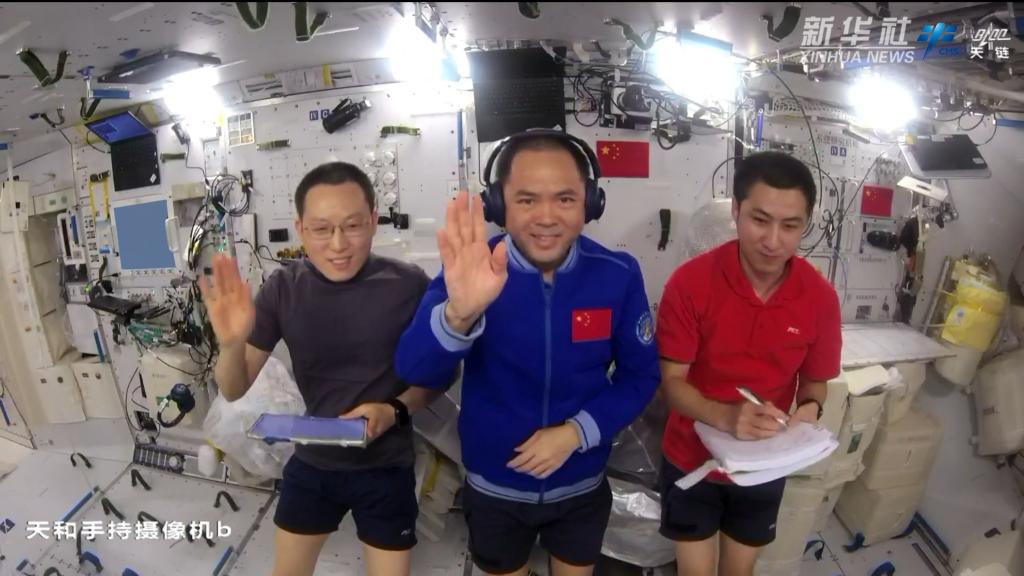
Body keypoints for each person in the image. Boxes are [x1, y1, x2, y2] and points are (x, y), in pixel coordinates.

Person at [394, 130, 661, 576]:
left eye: (565, 198)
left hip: (581, 486)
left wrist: (576, 433)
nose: (547, 217)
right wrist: (459, 314)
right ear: (499, 205)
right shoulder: (472, 270)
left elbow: (640, 376)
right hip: (494, 490)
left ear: (590, 202)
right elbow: (413, 367)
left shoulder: (618, 275)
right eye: (526, 200)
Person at [200, 162, 444, 576]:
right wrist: (231, 344)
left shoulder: (409, 284)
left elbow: (440, 376)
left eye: (353, 226)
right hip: (314, 462)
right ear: (300, 229)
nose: (338, 245)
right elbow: (234, 389)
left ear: (373, 220)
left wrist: (394, 411)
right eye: (321, 229)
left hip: (386, 465)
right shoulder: (283, 288)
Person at [656, 151, 842, 576]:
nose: (773, 241)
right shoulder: (690, 283)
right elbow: (672, 384)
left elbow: (815, 382)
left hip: (764, 462)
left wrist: (809, 410)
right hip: (691, 458)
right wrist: (725, 417)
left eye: (790, 226)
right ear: (736, 210)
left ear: (805, 224)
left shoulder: (820, 298)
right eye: (760, 220)